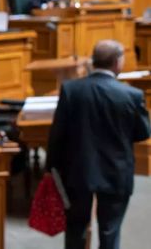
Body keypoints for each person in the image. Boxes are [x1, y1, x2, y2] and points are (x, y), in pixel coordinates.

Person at [47, 40, 151, 249]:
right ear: (117, 62)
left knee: (76, 228)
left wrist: (51, 168)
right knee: (110, 230)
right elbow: (144, 133)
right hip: (116, 172)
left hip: (78, 171)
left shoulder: (71, 90)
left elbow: (57, 134)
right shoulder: (131, 95)